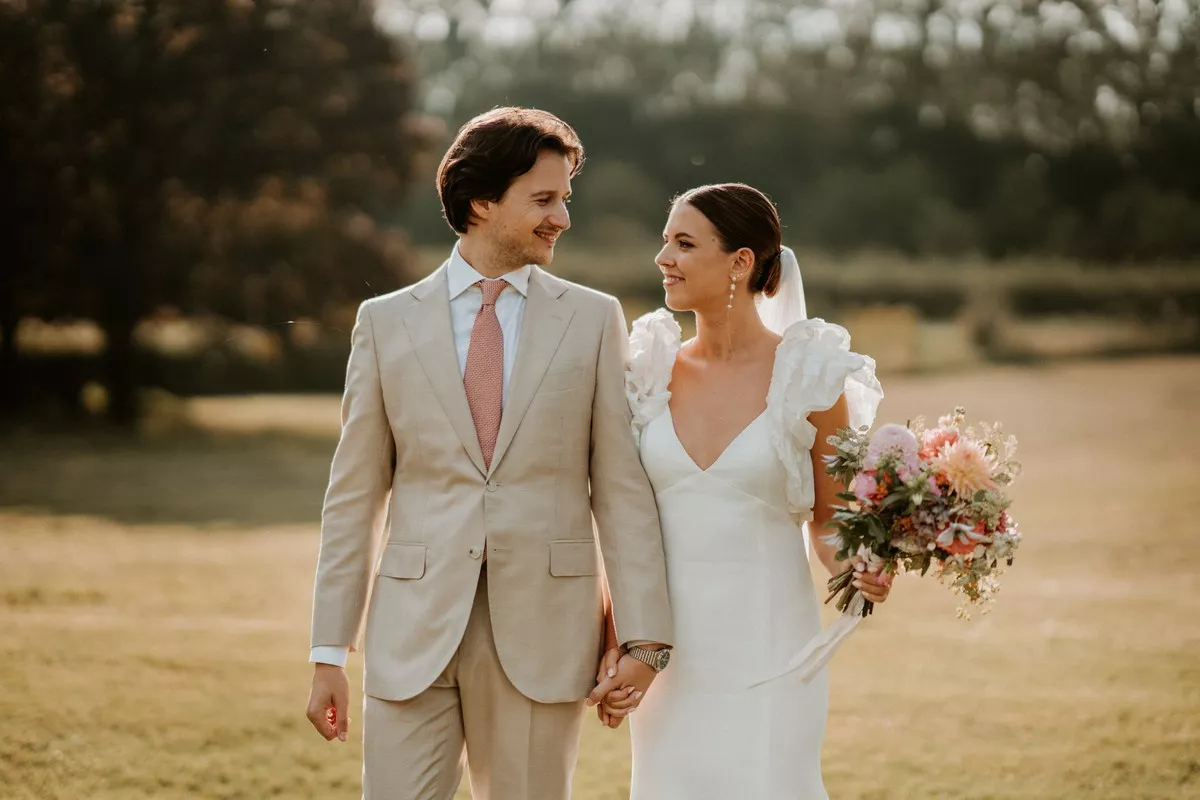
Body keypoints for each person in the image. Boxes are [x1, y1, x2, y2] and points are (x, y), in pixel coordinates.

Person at [305, 106, 673, 800]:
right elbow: (353, 497)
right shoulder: (384, 323)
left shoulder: (593, 319)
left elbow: (621, 490)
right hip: (412, 632)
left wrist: (643, 636)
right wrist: (329, 651)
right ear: (481, 201)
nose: (562, 217)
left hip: (545, 630)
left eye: (565, 198)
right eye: (543, 199)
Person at [591, 183, 892, 798]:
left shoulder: (810, 376)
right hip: (667, 652)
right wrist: (616, 639)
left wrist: (863, 565)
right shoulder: (647, 371)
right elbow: (621, 523)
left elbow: (831, 523)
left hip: (770, 642)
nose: (663, 258)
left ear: (740, 262)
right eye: (664, 242)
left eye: (683, 243)